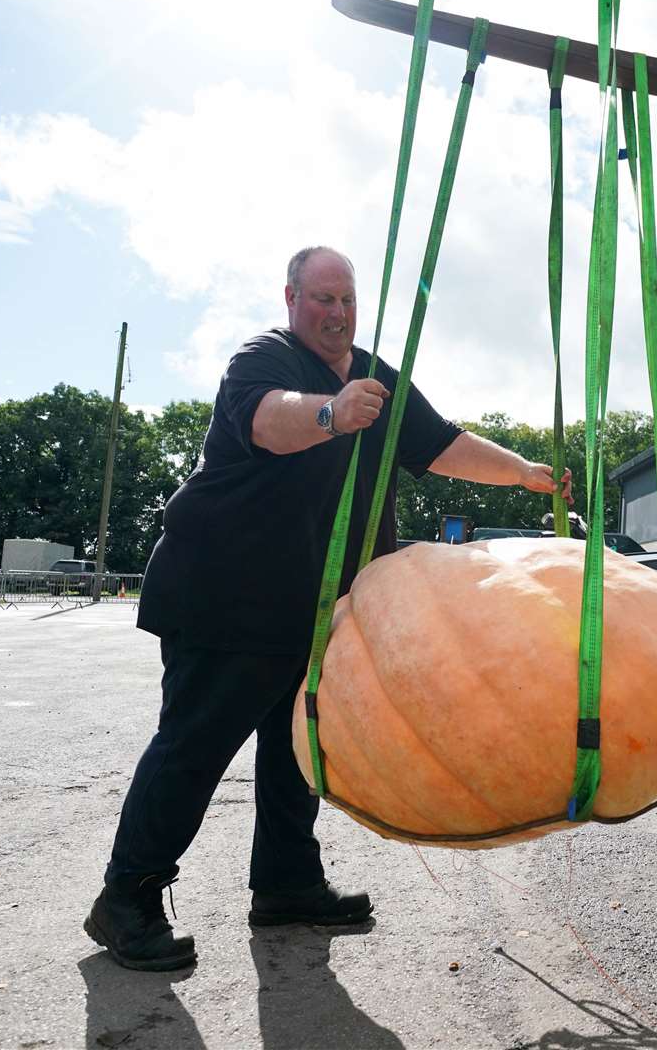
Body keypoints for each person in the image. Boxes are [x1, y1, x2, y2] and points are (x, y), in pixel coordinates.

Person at [86, 246, 572, 972]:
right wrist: (331, 413)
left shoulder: (375, 374)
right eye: (322, 299)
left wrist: (523, 473)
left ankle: (286, 885)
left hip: (313, 610)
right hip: (225, 595)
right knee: (194, 749)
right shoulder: (266, 360)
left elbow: (441, 445)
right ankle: (125, 898)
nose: (338, 314)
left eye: (346, 300)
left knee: (296, 755)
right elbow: (268, 420)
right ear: (291, 299)